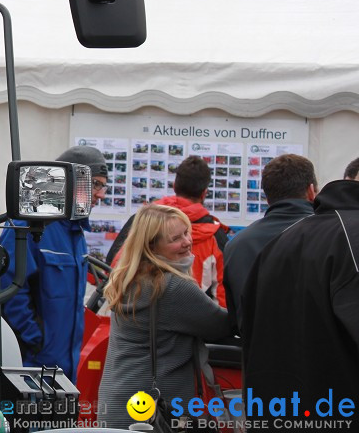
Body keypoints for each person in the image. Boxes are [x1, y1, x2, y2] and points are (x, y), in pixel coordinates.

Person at [96, 204, 230, 429]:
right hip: (155, 412)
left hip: (118, 402)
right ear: (152, 247)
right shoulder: (172, 287)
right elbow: (223, 326)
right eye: (176, 238)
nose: (187, 241)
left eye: (187, 232)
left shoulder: (129, 279)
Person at [241, 176, 359, 413]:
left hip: (276, 407)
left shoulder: (282, 239)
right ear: (310, 190)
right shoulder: (351, 237)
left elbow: (246, 321)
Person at [0, 145, 108, 383]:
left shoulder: (76, 232)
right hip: (34, 366)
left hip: (67, 364)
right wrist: (35, 340)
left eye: (103, 185)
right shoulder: (29, 224)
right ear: (74, 182)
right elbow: (8, 289)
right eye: (96, 184)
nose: (102, 194)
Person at [106, 155, 229, 307]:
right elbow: (223, 295)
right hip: (191, 317)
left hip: (136, 314)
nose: (186, 242)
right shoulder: (215, 236)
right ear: (204, 193)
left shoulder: (142, 221)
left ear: (174, 186)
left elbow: (112, 269)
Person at [223, 153, 314, 332]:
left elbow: (235, 314)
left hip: (256, 352)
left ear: (267, 196)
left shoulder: (237, 245)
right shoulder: (334, 235)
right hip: (318, 353)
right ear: (311, 191)